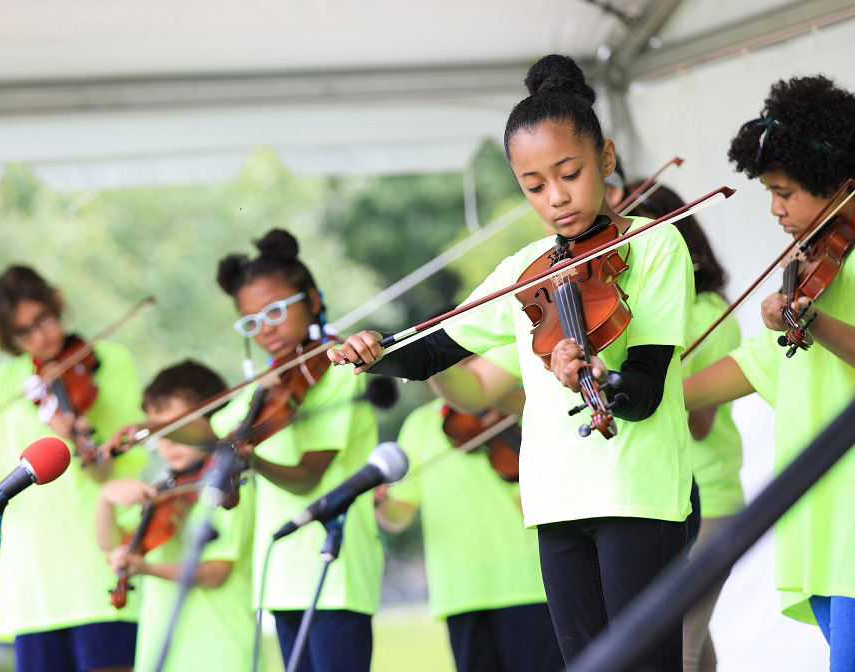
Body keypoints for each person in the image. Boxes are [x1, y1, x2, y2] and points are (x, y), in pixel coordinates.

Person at [329, 54, 694, 670]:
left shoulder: (653, 242)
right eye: (534, 186)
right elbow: (433, 351)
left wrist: (601, 377)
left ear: (606, 159)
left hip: (637, 495)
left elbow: (647, 389)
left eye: (570, 173)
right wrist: (374, 352)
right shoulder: (523, 273)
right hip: (554, 500)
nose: (556, 198)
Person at [683, 75, 855, 670]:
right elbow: (758, 365)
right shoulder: (818, 260)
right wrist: (663, 395)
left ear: (836, 181)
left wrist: (814, 323)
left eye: (784, 192)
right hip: (824, 519)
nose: (775, 209)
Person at [0, 265, 145, 672]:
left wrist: (82, 440)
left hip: (97, 560)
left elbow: (115, 465)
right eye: (24, 332)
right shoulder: (4, 383)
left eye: (43, 320)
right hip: (31, 576)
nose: (40, 337)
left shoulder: (108, 361)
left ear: (58, 304)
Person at [210, 229, 383, 672]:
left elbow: (308, 475)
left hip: (335, 571)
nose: (265, 330)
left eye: (274, 312)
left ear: (311, 299)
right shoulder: (268, 387)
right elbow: (214, 426)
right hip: (282, 576)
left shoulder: (338, 370)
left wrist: (253, 456)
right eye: (251, 322)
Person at [376, 360, 563, 672]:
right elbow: (400, 515)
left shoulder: (515, 411)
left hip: (528, 585)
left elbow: (545, 500)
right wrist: (380, 502)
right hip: (459, 591)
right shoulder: (420, 423)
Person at [629, 183, 744, 671]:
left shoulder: (706, 314)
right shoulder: (646, 311)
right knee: (696, 653)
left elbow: (698, 425)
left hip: (709, 501)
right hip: (671, 499)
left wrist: (659, 367)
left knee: (678, 649)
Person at [95, 360, 257, 672]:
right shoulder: (166, 487)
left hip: (220, 652)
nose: (167, 442)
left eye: (176, 428)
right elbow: (112, 545)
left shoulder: (232, 486)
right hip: (162, 653)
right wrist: (105, 500)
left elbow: (216, 571)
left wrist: (147, 567)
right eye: (159, 431)